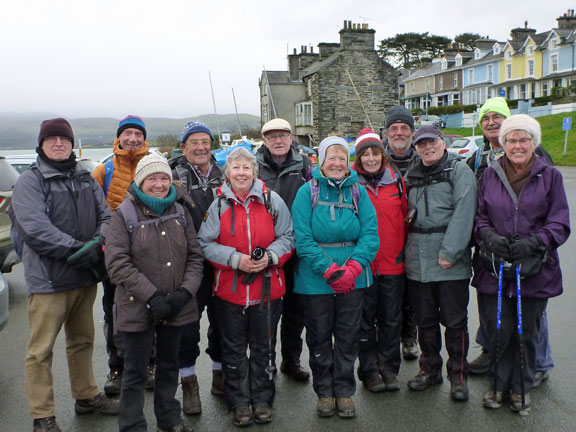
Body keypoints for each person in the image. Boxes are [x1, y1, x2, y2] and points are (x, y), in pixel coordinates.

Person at [12, 118, 118, 432]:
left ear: (72, 143)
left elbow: (106, 215)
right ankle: (42, 415)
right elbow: (35, 229)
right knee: (40, 351)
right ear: (41, 144)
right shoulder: (30, 182)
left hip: (84, 278)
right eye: (52, 139)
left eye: (64, 139)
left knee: (83, 341)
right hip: (49, 281)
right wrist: (79, 249)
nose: (59, 143)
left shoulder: (85, 178)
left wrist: (100, 241)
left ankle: (85, 396)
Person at [472, 114, 570, 413]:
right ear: (503, 143)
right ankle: (498, 386)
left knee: (527, 332)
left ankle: (520, 388)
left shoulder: (550, 175)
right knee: (499, 331)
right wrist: (488, 237)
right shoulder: (489, 175)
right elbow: (478, 218)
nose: (517, 145)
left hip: (534, 269)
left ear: (533, 142)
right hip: (495, 266)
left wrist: (536, 242)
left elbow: (560, 222)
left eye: (523, 139)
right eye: (511, 139)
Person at [105, 153, 204, 432]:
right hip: (137, 306)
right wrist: (152, 297)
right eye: (152, 178)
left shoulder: (180, 211)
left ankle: (169, 419)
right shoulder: (123, 214)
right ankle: (132, 424)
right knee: (135, 371)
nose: (159, 184)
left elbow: (196, 258)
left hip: (176, 305)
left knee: (169, 366)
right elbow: (117, 264)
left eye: (163, 177)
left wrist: (184, 294)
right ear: (140, 181)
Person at [198, 147, 295, 427]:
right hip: (230, 291)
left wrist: (270, 257)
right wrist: (235, 259)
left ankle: (263, 400)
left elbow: (288, 236)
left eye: (246, 167)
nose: (241, 173)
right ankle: (239, 402)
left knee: (264, 348)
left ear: (255, 171)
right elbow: (205, 243)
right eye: (236, 168)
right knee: (234, 349)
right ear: (227, 173)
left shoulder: (271, 200)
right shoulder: (217, 205)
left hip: (268, 289)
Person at [468, 98, 555, 385]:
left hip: (529, 254)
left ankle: (537, 362)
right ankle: (491, 353)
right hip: (490, 249)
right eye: (486, 118)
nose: (491, 122)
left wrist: (535, 242)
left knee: (529, 312)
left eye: (497, 117)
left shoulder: (535, 154)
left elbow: (548, 206)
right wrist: (483, 238)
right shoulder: (478, 158)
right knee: (492, 306)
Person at [292, 136, 378, 419]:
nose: (338, 163)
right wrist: (329, 270)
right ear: (321, 160)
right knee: (318, 338)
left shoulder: (358, 193)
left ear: (349, 162)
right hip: (315, 279)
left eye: (343, 158)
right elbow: (302, 239)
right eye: (332, 158)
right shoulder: (308, 192)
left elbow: (370, 234)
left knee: (348, 336)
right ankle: (324, 393)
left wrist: (353, 268)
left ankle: (344, 392)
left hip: (354, 278)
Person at [403, 125, 477, 402]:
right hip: (417, 260)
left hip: (449, 262)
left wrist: (450, 251)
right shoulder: (411, 174)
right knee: (425, 321)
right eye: (421, 144)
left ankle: (458, 376)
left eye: (432, 142)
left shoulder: (459, 171)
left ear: (443, 142)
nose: (427, 148)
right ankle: (429, 370)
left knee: (455, 322)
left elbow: (465, 212)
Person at [92, 115, 153, 395]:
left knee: (151, 309)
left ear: (144, 137)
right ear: (119, 137)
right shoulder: (103, 170)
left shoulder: (153, 164)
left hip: (150, 252)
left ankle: (150, 364)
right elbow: (93, 212)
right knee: (113, 311)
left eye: (137, 134)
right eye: (127, 133)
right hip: (113, 255)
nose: (132, 139)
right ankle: (117, 367)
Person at [170, 121, 225, 415]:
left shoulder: (224, 174)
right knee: (188, 329)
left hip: (223, 262)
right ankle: (189, 384)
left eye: (205, 141)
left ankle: (220, 376)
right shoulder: (171, 177)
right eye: (194, 142)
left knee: (223, 325)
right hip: (189, 267)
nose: (201, 147)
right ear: (183, 147)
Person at [256, 118, 312, 382]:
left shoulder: (304, 166)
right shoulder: (254, 167)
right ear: (264, 141)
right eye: (271, 137)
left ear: (291, 138)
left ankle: (291, 360)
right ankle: (265, 363)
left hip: (297, 250)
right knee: (266, 313)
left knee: (295, 310)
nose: (278, 141)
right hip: (264, 251)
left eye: (282, 136)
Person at [352, 129, 408, 393]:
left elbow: (405, 217)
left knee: (391, 319)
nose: (372, 159)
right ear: (359, 158)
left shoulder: (396, 181)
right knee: (364, 320)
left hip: (392, 262)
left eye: (376, 153)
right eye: (366, 154)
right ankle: (369, 370)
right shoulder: (351, 184)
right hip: (363, 265)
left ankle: (389, 367)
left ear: (383, 156)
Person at [383, 105, 420, 361]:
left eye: (404, 128)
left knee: (413, 292)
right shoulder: (376, 160)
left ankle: (410, 336)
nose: (399, 133)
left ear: (412, 132)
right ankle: (385, 337)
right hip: (387, 237)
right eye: (394, 128)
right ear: (386, 133)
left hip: (417, 236)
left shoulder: (424, 158)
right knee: (388, 293)